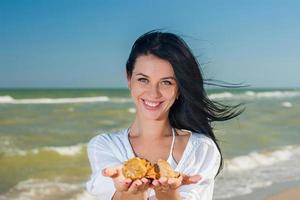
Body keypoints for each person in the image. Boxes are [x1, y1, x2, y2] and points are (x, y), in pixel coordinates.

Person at [86, 30, 243, 200]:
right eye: (143, 79)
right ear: (129, 78)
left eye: (166, 82)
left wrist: (167, 193)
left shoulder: (200, 149)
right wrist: (130, 193)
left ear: (179, 89)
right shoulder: (105, 146)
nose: (153, 93)